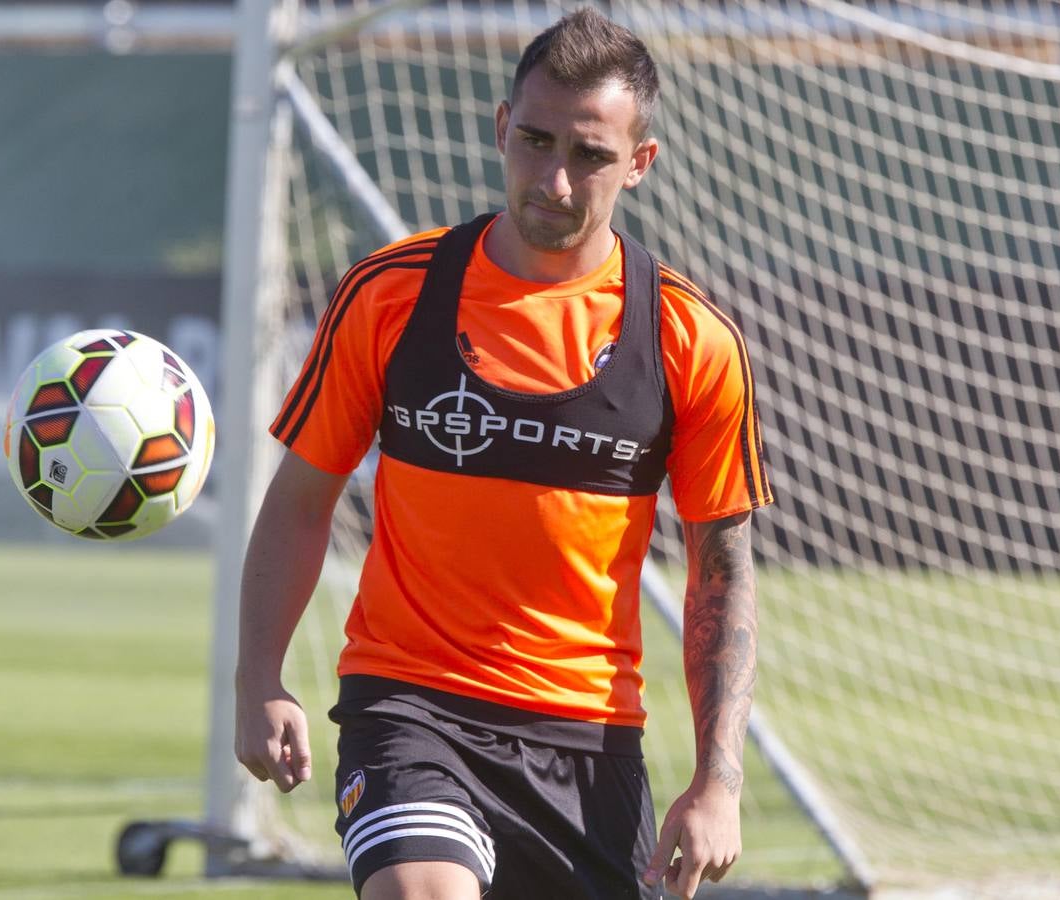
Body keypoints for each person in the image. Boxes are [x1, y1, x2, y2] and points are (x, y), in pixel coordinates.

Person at [234, 8, 773, 899]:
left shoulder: (690, 339)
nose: (554, 180)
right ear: (499, 128)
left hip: (591, 742)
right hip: (412, 709)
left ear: (639, 163)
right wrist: (259, 679)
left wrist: (718, 781)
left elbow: (723, 570)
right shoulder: (389, 294)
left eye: (589, 155)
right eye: (534, 140)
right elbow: (299, 502)